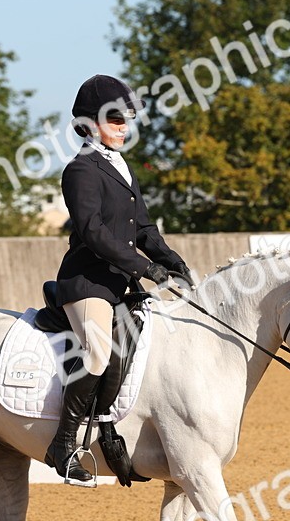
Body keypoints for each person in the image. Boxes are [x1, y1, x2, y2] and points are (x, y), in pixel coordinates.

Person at [44, 74, 195, 486]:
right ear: (89, 123)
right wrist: (145, 268)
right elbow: (93, 232)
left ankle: (116, 427)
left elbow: (143, 228)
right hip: (87, 283)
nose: (124, 127)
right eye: (115, 119)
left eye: (126, 119)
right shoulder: (80, 170)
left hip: (120, 286)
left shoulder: (121, 167)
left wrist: (174, 263)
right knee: (97, 352)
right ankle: (63, 444)